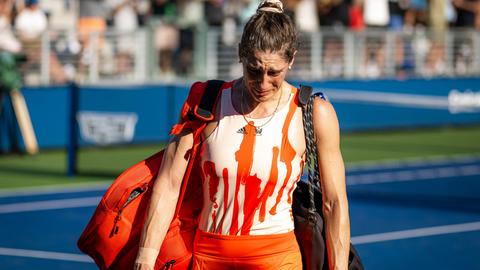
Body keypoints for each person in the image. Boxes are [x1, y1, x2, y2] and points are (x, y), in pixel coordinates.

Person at [134, 0, 351, 269]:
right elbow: (168, 184)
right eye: (254, 69)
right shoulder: (206, 101)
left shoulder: (313, 112)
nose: (263, 83)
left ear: (292, 59)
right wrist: (145, 257)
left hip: (276, 259)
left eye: (274, 73)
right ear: (240, 54)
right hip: (209, 257)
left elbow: (334, 202)